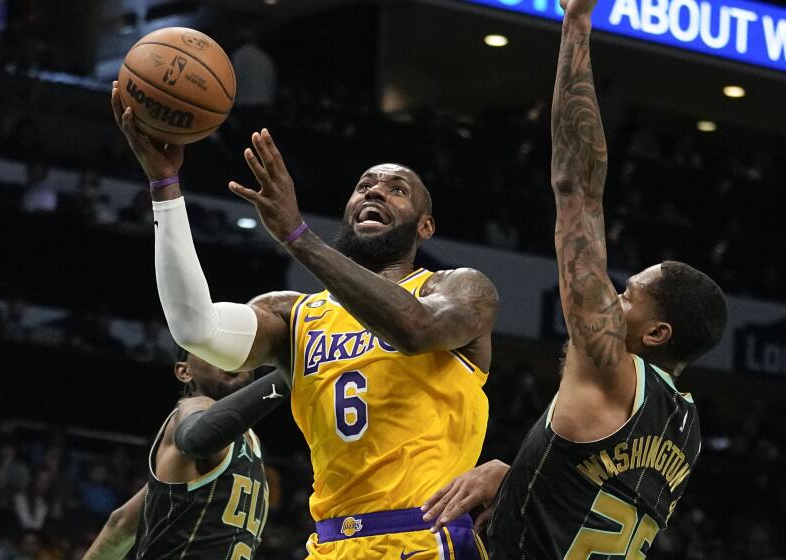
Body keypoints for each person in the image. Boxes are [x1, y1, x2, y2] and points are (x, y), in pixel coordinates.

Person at [110, 77, 499, 560]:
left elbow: (415, 329)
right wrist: (165, 188)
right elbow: (195, 329)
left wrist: (298, 237)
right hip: (330, 544)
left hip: (422, 537)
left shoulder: (458, 287)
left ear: (425, 226)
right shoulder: (296, 314)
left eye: (397, 190)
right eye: (364, 186)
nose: (375, 191)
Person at [420, 0, 728, 557]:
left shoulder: (612, 367)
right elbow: (581, 499)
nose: (610, 293)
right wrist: (513, 478)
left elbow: (578, 190)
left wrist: (577, 23)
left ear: (656, 333)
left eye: (627, 294)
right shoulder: (687, 432)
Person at [84, 349, 284, 559]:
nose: (228, 356)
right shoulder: (194, 408)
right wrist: (288, 375)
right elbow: (197, 438)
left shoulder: (251, 440)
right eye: (212, 350)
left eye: (234, 350)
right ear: (184, 372)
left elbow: (122, 523)